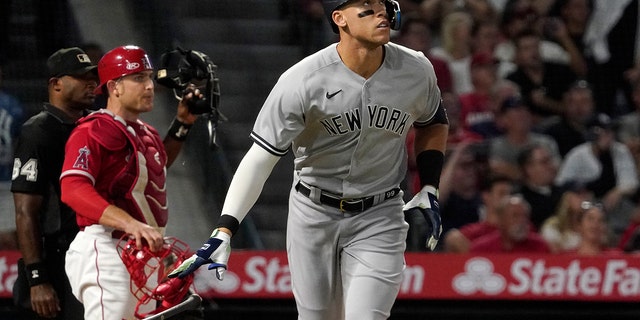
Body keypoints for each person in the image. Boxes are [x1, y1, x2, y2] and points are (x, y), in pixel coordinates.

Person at [169, 1, 449, 319]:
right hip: (314, 214)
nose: (381, 13)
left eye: (384, 5)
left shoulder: (416, 69)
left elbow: (434, 121)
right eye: (368, 8)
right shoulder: (303, 80)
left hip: (380, 214)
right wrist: (225, 228)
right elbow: (260, 157)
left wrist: (429, 184)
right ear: (339, 19)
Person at [59, 45, 199, 320]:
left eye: (149, 77)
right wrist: (130, 223)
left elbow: (154, 168)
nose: (149, 86)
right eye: (138, 78)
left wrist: (183, 122)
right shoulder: (92, 129)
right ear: (114, 87)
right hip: (106, 246)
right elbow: (72, 188)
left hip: (140, 255)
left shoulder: (146, 132)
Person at [11, 47, 97, 320]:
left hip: (89, 254)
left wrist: (182, 123)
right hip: (56, 259)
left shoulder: (97, 126)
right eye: (81, 77)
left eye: (92, 77)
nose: (91, 83)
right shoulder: (37, 131)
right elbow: (26, 211)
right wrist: (37, 279)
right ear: (55, 83)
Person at [443, 175, 515, 253]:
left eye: (510, 194)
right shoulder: (470, 234)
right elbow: (452, 238)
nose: (508, 198)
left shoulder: (520, 233)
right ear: (486, 196)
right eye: (502, 193)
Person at [470, 194, 552, 253]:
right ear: (501, 219)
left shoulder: (540, 246)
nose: (522, 221)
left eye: (525, 216)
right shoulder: (481, 248)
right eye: (515, 216)